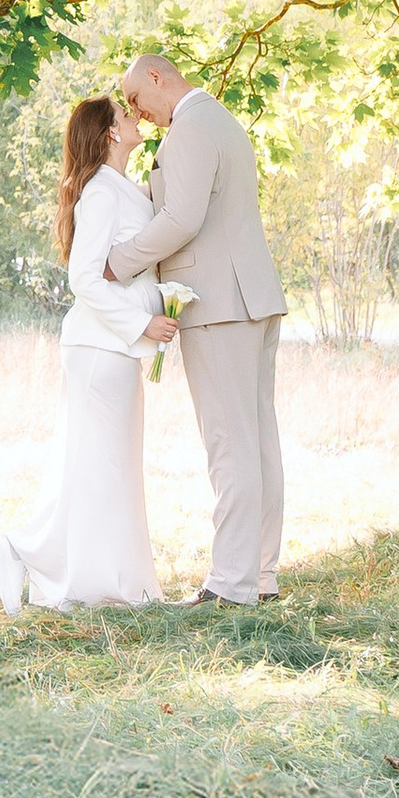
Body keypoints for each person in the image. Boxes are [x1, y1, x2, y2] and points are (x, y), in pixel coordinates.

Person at [103, 52, 288, 605]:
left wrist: (120, 261)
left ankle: (232, 586)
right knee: (258, 443)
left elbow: (181, 219)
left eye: (137, 99)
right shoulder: (223, 121)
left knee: (230, 445)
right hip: (253, 295)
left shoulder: (187, 131)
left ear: (157, 78)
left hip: (218, 303)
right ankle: (259, 575)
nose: (139, 113)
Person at [0, 93, 181, 614]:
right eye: (124, 114)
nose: (134, 116)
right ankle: (89, 580)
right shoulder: (100, 193)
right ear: (111, 133)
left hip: (110, 349)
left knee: (100, 469)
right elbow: (84, 279)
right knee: (103, 470)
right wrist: (143, 321)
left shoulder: (120, 188)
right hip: (99, 349)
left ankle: (63, 566)